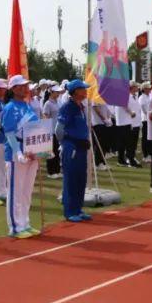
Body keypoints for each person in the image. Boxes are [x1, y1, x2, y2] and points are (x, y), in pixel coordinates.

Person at [2, 75, 40, 239]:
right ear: (14, 89)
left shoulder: (27, 105)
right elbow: (9, 132)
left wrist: (41, 149)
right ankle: (15, 227)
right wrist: (17, 152)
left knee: (27, 191)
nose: (26, 88)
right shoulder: (10, 107)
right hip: (17, 153)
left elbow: (37, 128)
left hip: (32, 152)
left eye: (27, 86)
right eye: (22, 86)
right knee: (16, 191)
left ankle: (25, 222)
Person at [55, 79, 91, 222]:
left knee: (81, 178)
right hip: (72, 147)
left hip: (81, 146)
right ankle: (70, 211)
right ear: (76, 91)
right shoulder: (67, 107)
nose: (86, 91)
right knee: (71, 178)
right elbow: (58, 129)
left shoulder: (81, 106)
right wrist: (65, 143)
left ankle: (78, 208)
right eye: (83, 89)